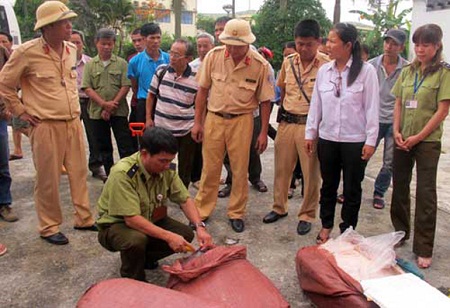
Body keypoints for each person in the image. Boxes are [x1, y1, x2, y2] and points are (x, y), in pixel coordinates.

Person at [0, 1, 97, 245]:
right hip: (45, 125)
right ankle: (48, 226)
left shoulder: (70, 49)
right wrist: (21, 111)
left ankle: (83, 218)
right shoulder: (26, 52)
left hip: (73, 121)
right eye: (64, 22)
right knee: (48, 178)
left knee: (79, 172)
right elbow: (4, 84)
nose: (69, 25)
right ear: (48, 27)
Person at [97, 127, 213, 281]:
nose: (167, 166)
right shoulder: (123, 173)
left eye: (170, 161)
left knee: (185, 234)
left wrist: (200, 227)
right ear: (145, 154)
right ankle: (132, 278)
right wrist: (169, 237)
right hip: (117, 225)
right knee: (136, 240)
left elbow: (184, 199)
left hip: (151, 216)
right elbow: (131, 219)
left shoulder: (166, 169)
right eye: (162, 161)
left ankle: (143, 257)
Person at [191, 19, 274, 233]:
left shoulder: (259, 64)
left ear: (247, 43)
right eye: (228, 43)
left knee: (239, 169)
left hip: (242, 120)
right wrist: (197, 122)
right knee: (210, 167)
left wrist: (264, 132)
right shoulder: (213, 56)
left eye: (237, 45)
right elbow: (202, 91)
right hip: (214, 118)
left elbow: (266, 101)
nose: (232, 48)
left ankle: (236, 212)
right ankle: (202, 210)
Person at [305, 23, 379, 244]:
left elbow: (372, 108)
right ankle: (326, 226)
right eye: (327, 41)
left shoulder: (366, 72)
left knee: (351, 188)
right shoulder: (324, 71)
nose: (327, 45)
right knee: (328, 185)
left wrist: (371, 140)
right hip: (327, 139)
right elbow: (316, 105)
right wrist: (311, 133)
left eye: (332, 41)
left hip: (354, 141)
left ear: (348, 45)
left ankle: (348, 230)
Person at [390, 24, 450, 269]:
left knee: (425, 193)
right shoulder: (407, 71)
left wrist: (418, 137)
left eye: (426, 44)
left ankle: (424, 247)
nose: (420, 49)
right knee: (400, 186)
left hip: (427, 142)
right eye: (417, 44)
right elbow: (398, 103)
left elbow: (442, 110)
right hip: (402, 137)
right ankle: (400, 231)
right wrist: (396, 131)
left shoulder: (444, 73)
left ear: (437, 46)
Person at [263, 20, 329, 236]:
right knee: (282, 169)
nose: (303, 48)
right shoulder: (288, 62)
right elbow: (281, 90)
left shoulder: (327, 65)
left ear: (318, 42)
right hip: (287, 123)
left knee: (311, 173)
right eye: (300, 43)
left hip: (310, 126)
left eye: (309, 44)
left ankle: (307, 214)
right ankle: (279, 207)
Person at [145, 38, 198, 189]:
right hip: (162, 129)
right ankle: (159, 192)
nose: (172, 58)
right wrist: (148, 118)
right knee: (161, 162)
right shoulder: (161, 71)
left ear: (188, 58)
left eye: (176, 55)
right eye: (171, 53)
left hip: (186, 130)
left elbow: (202, 104)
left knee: (185, 166)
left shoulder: (197, 77)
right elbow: (151, 95)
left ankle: (181, 193)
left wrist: (199, 125)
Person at [82, 28, 135, 176]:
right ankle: (110, 176)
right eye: (103, 44)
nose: (106, 47)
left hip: (119, 111)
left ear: (114, 44)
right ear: (96, 43)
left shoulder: (122, 63)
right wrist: (104, 105)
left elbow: (125, 85)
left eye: (109, 44)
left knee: (125, 146)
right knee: (104, 147)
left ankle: (128, 176)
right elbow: (87, 87)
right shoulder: (90, 64)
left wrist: (112, 105)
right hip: (97, 113)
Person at [368, 29, 408, 209]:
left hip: (395, 121)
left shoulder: (407, 69)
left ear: (401, 47)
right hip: (372, 120)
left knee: (390, 161)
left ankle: (379, 192)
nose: (389, 46)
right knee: (362, 156)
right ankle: (350, 190)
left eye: (394, 44)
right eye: (387, 42)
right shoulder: (370, 66)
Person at [70, 30, 107, 182]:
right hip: (70, 103)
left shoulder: (91, 63)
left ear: (83, 45)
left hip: (89, 102)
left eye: (77, 42)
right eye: (71, 42)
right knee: (69, 137)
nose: (74, 45)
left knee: (94, 135)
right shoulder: (60, 63)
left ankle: (96, 165)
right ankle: (68, 165)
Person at [127, 23, 169, 123]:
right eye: (152, 38)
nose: (156, 41)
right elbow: (134, 86)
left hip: (165, 103)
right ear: (144, 39)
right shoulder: (134, 61)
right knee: (145, 136)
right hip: (143, 103)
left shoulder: (169, 59)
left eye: (158, 37)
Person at [189, 32, 215, 190]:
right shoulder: (193, 66)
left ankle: (210, 174)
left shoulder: (219, 62)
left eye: (206, 46)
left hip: (215, 108)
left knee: (212, 145)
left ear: (213, 46)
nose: (202, 49)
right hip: (199, 108)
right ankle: (196, 177)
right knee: (198, 143)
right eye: (199, 46)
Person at [0, 31, 28, 161]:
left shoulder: (16, 57)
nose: (1, 44)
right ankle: (18, 150)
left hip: (16, 101)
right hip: (9, 101)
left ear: (11, 43)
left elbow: (11, 82)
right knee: (17, 127)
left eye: (4, 41)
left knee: (20, 125)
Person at [0, 44, 18, 223]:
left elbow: (9, 81)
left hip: (0, 117)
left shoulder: (1, 51)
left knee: (2, 163)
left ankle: (4, 203)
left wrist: (9, 107)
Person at [127, 27, 144, 128]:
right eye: (134, 41)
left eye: (139, 40)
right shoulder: (131, 59)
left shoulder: (161, 57)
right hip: (136, 101)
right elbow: (132, 84)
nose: (137, 44)